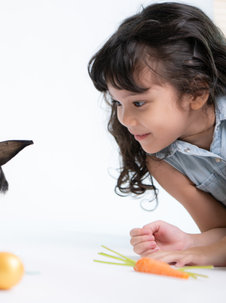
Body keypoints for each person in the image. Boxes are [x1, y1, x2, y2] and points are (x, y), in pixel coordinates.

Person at [87, 2, 226, 266]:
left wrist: (205, 254)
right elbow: (221, 231)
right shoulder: (164, 162)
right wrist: (191, 242)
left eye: (138, 103)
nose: (125, 119)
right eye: (118, 103)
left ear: (195, 92)